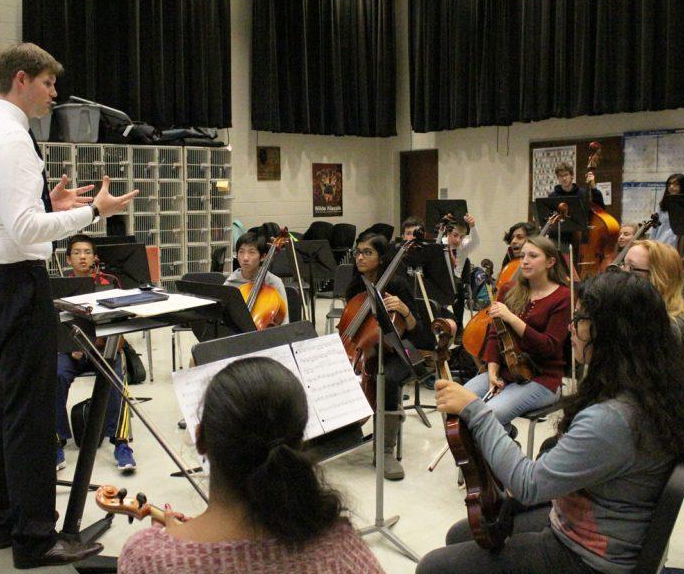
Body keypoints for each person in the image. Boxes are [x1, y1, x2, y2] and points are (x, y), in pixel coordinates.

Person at [0, 42, 137, 568]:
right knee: (30, 415)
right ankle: (35, 539)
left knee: (9, 407)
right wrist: (92, 213)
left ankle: (6, 522)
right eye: (48, 83)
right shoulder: (11, 137)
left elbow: (2, 215)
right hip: (15, 283)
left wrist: (46, 202)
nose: (54, 94)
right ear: (20, 79)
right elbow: (25, 230)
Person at [418, 271, 684, 574]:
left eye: (580, 319)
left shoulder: (613, 419)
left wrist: (476, 411)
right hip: (596, 524)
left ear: (608, 332)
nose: (572, 329)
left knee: (432, 567)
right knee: (460, 535)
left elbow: (528, 485)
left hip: (588, 558)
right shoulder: (652, 385)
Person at [117, 357, 384, 574]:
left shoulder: (147, 560)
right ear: (298, 444)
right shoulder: (340, 550)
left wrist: (174, 548)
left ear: (201, 440)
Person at [465, 236, 570, 429]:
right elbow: (495, 334)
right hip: (506, 371)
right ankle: (502, 439)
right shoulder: (509, 289)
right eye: (522, 256)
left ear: (550, 262)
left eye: (533, 256)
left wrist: (512, 318)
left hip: (542, 378)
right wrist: (492, 371)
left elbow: (548, 347)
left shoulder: (563, 296)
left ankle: (503, 449)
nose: (525, 261)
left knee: (490, 415)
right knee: (459, 402)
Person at [343, 231, 424, 480]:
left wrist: (404, 310)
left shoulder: (397, 285)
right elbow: (350, 328)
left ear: (381, 257)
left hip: (397, 349)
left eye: (367, 252)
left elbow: (418, 330)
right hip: (363, 351)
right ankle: (339, 432)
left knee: (386, 379)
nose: (360, 257)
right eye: (358, 252)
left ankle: (385, 450)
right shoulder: (355, 286)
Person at [56, 234, 135, 471]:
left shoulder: (109, 282)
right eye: (77, 252)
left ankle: (122, 443)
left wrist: (98, 344)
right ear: (68, 258)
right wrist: (73, 348)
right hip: (72, 351)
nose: (83, 257)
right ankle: (56, 440)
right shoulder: (59, 285)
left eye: (87, 252)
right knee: (54, 375)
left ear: (95, 257)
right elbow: (56, 324)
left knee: (116, 377)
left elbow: (120, 319)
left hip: (102, 348)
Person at [619, 239, 684, 373]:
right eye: (623, 265)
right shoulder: (640, 313)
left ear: (659, 278)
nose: (620, 273)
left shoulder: (671, 330)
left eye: (631, 268)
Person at [225, 232, 289, 325]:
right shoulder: (231, 281)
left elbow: (284, 323)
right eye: (241, 252)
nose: (245, 258)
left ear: (263, 257)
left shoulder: (274, 283)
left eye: (251, 252)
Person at [442, 214, 479, 329]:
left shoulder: (464, 246)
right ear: (448, 234)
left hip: (456, 279)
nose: (458, 239)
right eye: (455, 235)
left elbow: (476, 241)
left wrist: (472, 226)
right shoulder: (441, 242)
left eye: (462, 236)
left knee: (459, 290)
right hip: (440, 277)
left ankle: (459, 327)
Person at [648, 173, 684, 248]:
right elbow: (655, 228)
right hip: (660, 244)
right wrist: (650, 245)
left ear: (683, 186)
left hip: (677, 246)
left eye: (676, 184)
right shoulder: (662, 206)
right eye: (669, 184)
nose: (671, 187)